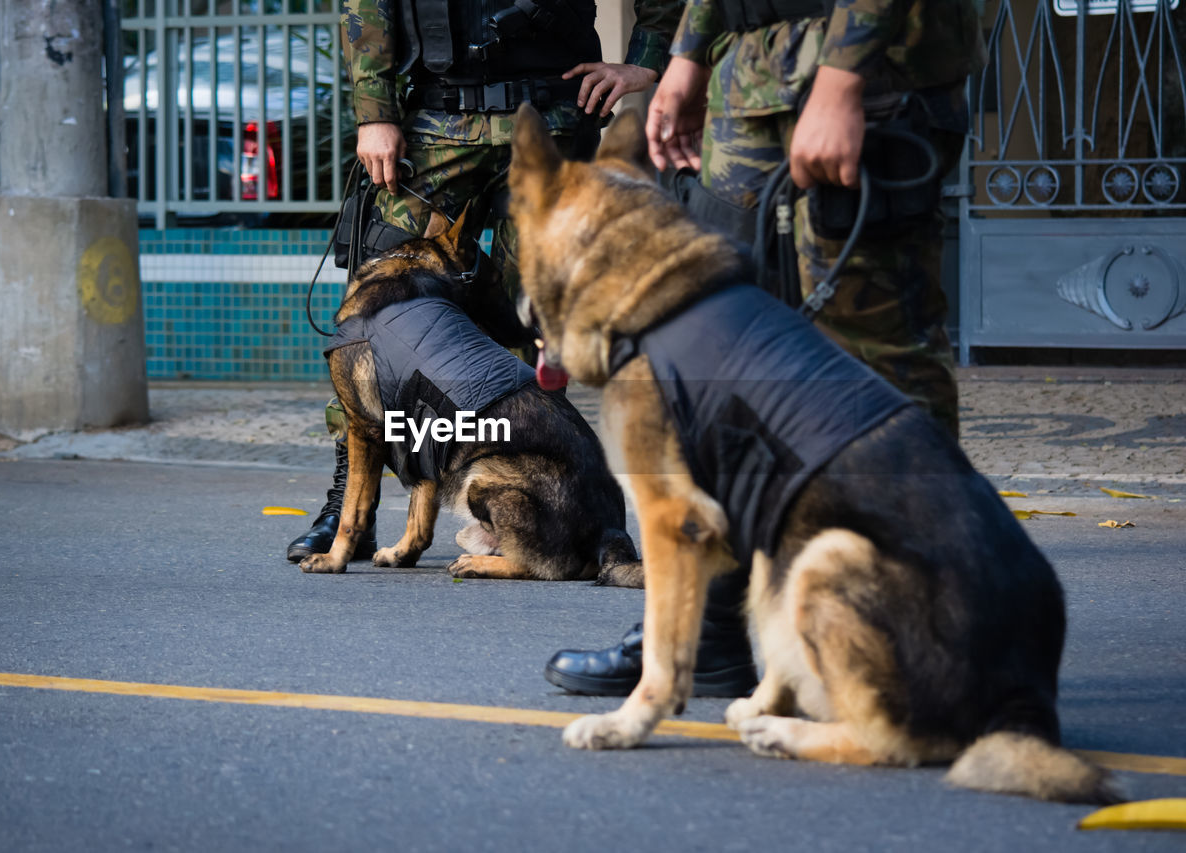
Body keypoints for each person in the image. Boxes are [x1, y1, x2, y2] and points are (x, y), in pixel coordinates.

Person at [544, 0, 986, 697]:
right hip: (748, 77)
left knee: (880, 361)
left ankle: (933, 641)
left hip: (872, 70)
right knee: (714, 357)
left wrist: (842, 77)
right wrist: (689, 55)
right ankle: (700, 639)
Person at [287, 0, 685, 563]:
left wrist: (646, 62)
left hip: (555, 117)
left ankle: (532, 513)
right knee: (383, 324)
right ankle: (348, 508)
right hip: (438, 121)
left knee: (530, 321)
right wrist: (375, 111)